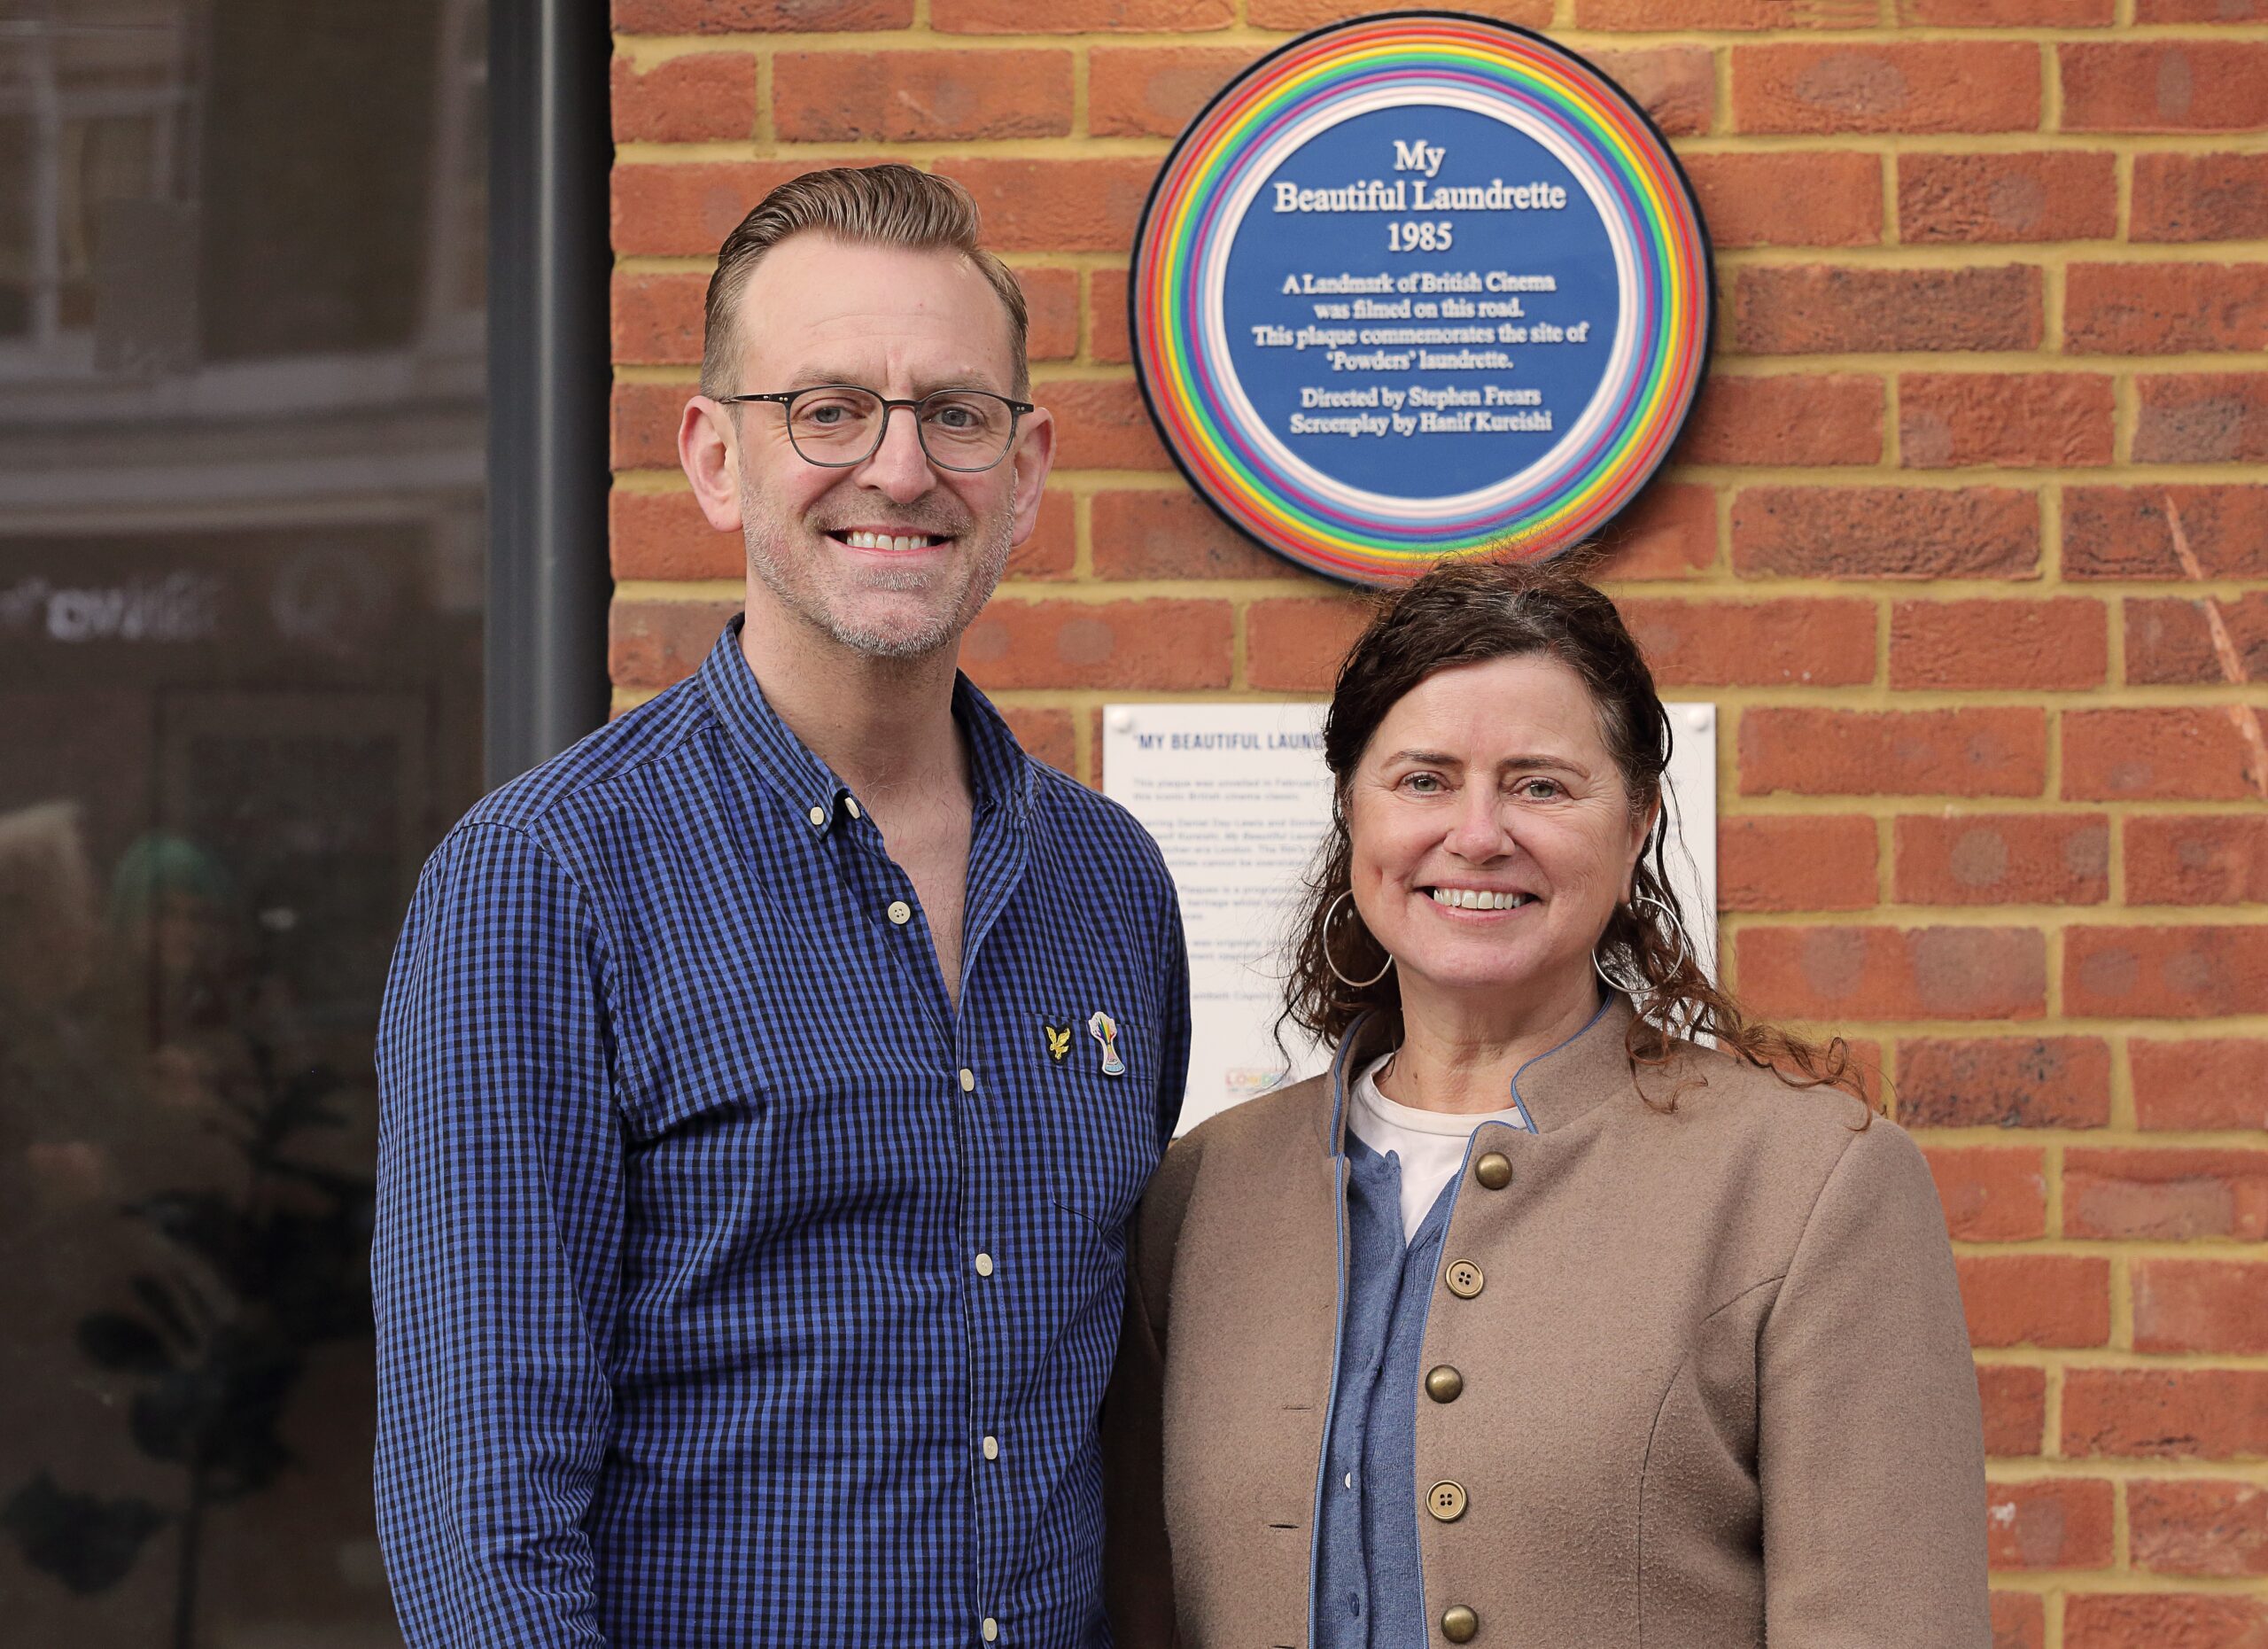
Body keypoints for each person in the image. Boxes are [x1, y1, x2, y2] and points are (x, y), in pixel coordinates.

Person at [374, 165, 1190, 1648]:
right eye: (827, 410)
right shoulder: (547, 880)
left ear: (1025, 466)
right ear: (713, 457)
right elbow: (481, 1510)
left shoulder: (1107, 884)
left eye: (955, 413)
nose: (898, 469)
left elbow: (1112, 1413)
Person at [1104, 562, 1988, 1647]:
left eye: (1540, 785)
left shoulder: (1810, 1181)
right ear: (1351, 813)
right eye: (1423, 780)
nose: (1477, 834)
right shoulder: (1203, 1189)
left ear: (1635, 826)